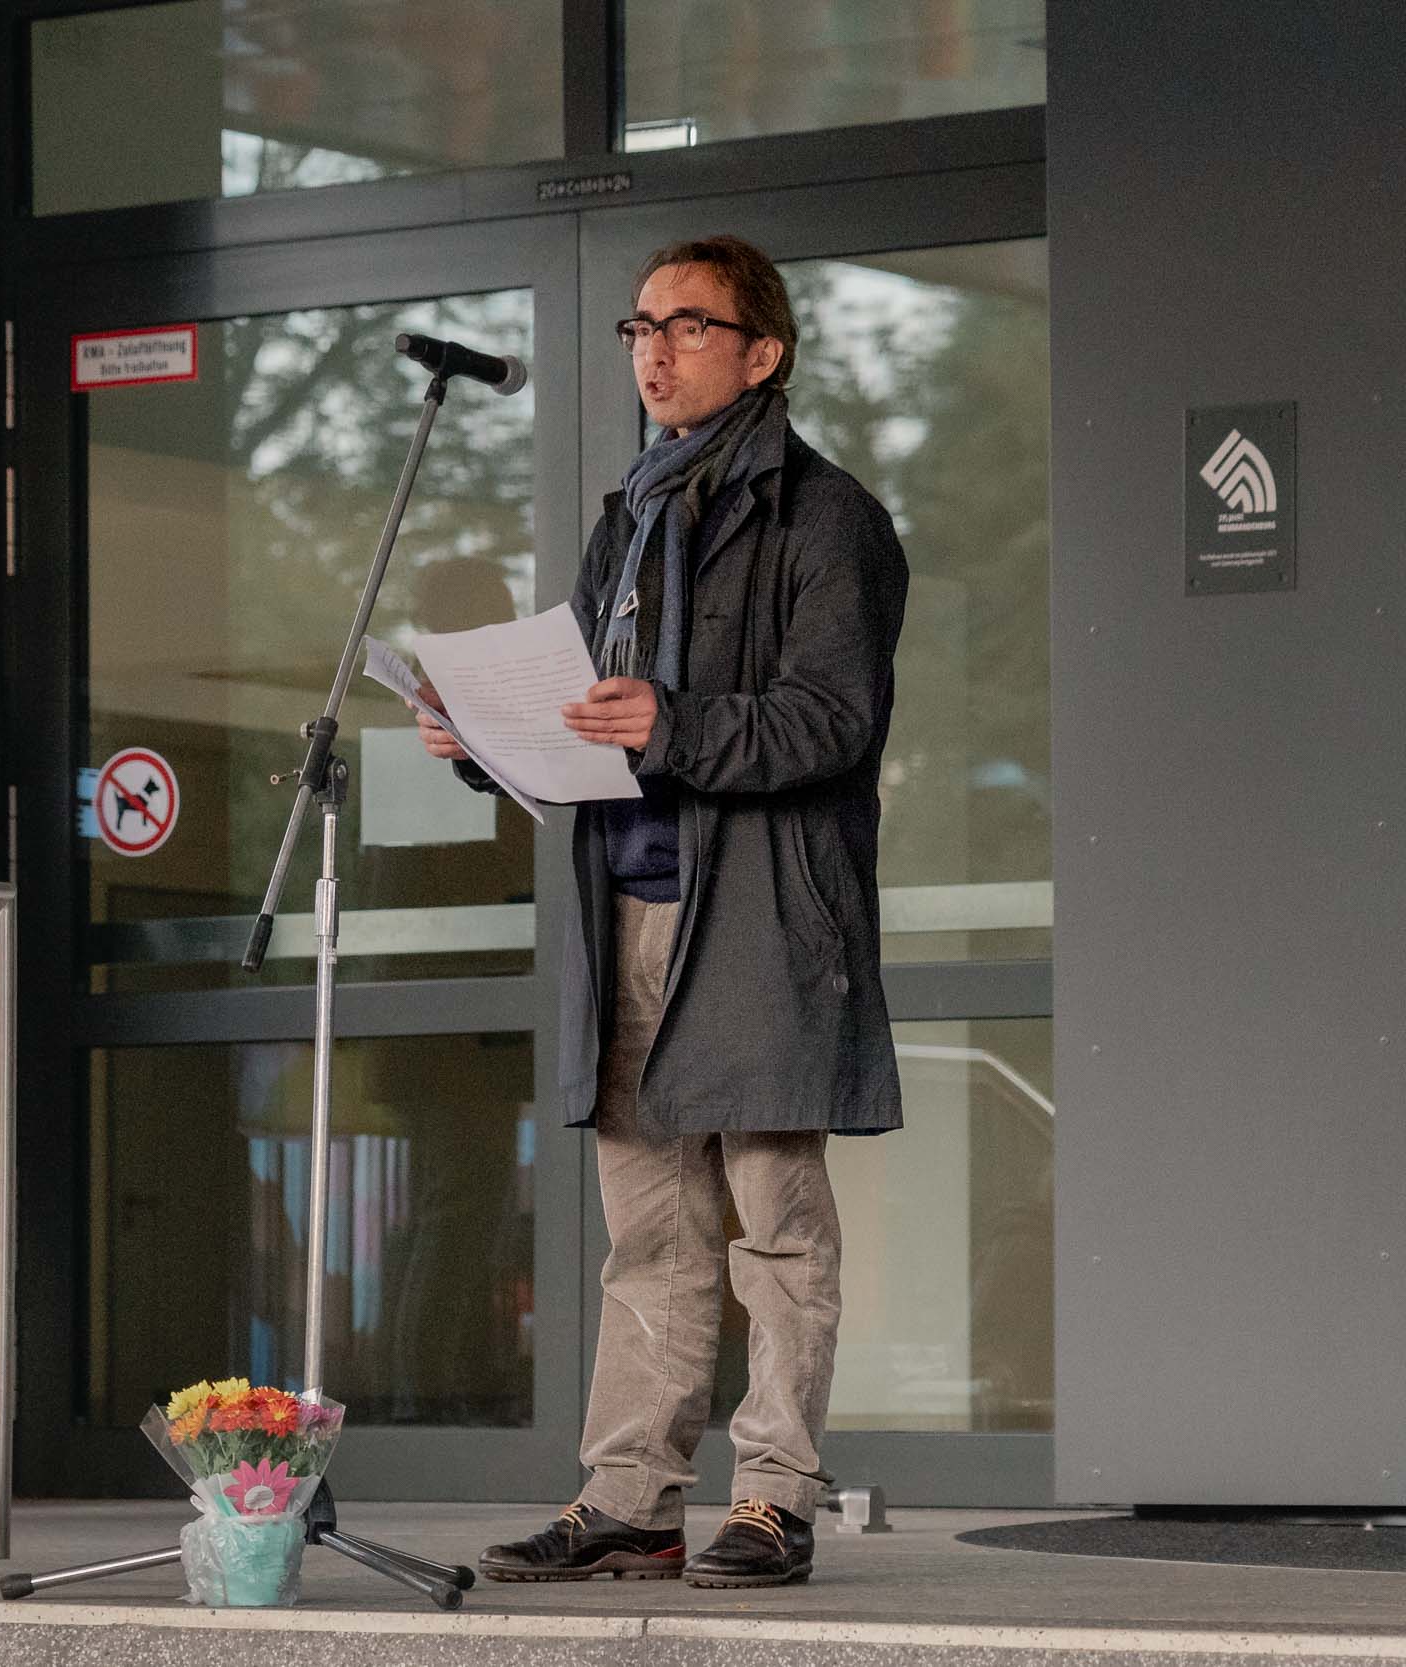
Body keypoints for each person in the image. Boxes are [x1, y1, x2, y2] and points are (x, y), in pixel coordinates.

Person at [419, 235, 908, 1588]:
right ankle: (630, 1496)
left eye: (690, 324)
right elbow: (592, 709)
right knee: (650, 1229)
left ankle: (774, 1497)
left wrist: (674, 722)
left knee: (774, 1219)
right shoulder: (628, 513)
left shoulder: (827, 516)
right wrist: (487, 734)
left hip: (753, 911)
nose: (654, 346)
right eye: (641, 324)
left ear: (765, 353)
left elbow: (833, 716)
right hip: (626, 905)